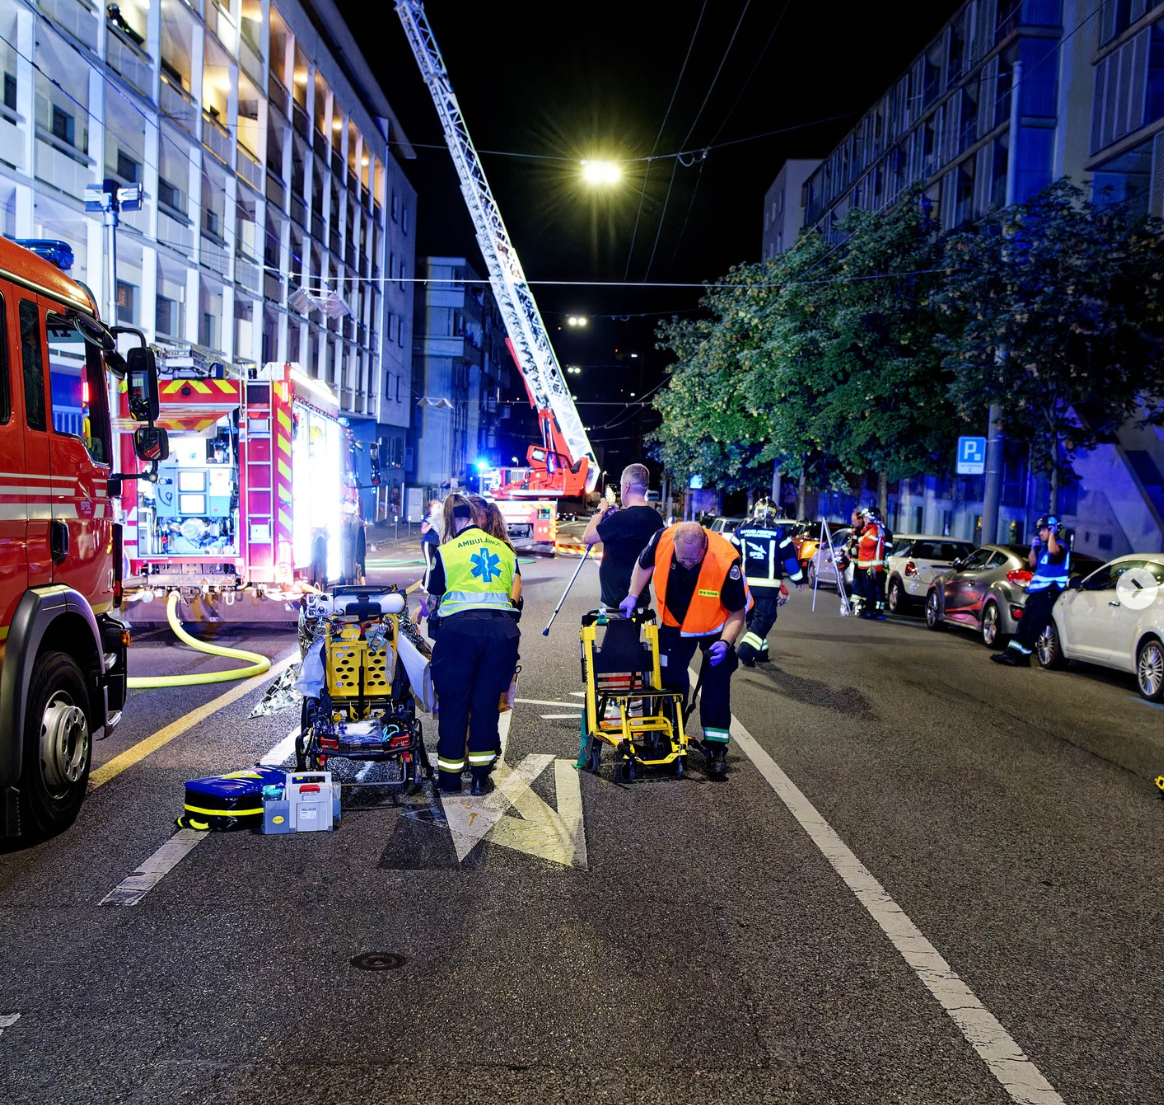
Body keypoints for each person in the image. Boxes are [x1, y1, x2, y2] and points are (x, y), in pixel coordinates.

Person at [619, 521, 749, 780]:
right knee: (669, 678)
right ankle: (670, 737)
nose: (688, 563)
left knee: (716, 682)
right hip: (676, 622)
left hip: (715, 625)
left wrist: (725, 643)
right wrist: (633, 594)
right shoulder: (662, 539)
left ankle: (715, 750)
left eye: (693, 558)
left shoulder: (725, 559)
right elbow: (644, 565)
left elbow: (737, 610)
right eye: (683, 558)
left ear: (704, 546)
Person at [424, 493, 521, 795]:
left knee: (454, 704)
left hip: (459, 634)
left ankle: (450, 780)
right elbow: (515, 592)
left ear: (451, 520)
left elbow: (434, 593)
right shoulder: (504, 550)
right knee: (486, 703)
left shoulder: (447, 550)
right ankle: (480, 778)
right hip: (501, 632)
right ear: (478, 518)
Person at [730, 503, 806, 666]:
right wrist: (798, 579)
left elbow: (729, 556)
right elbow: (790, 561)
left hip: (745, 586)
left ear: (754, 512)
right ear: (774, 514)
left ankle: (760, 654)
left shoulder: (741, 532)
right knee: (766, 618)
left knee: (753, 620)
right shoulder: (779, 534)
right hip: (767, 587)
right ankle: (745, 650)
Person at [582, 463, 664, 610]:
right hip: (640, 597)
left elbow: (587, 537)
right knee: (634, 633)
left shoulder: (621, 519)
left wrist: (600, 512)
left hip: (617, 601)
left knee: (617, 634)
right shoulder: (655, 518)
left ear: (626, 486)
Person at [991, 514, 1069, 667]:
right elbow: (1032, 563)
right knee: (1025, 623)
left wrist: (1052, 534)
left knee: (1034, 625)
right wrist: (1034, 548)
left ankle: (1018, 656)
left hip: (1048, 592)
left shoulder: (1060, 546)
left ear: (1053, 529)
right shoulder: (1044, 548)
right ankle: (1014, 654)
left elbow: (1054, 552)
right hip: (1036, 593)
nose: (1040, 533)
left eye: (1044, 530)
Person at [854, 506, 887, 620]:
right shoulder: (873, 529)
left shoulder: (874, 530)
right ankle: (870, 609)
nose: (864, 520)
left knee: (869, 589)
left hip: (871, 565)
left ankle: (870, 611)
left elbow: (870, 543)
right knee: (869, 588)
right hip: (869, 564)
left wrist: (860, 540)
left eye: (866, 518)